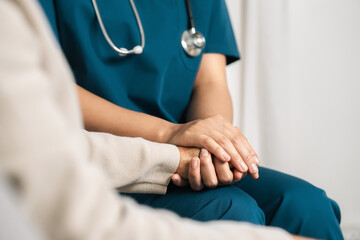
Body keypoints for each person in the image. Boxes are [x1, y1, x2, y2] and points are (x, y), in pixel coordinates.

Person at [0, 1, 315, 239]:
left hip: (187, 154)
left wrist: (212, 149)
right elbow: (45, 89)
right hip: (107, 161)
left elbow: (211, 82)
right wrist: (170, 134)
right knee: (232, 210)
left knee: (305, 204)